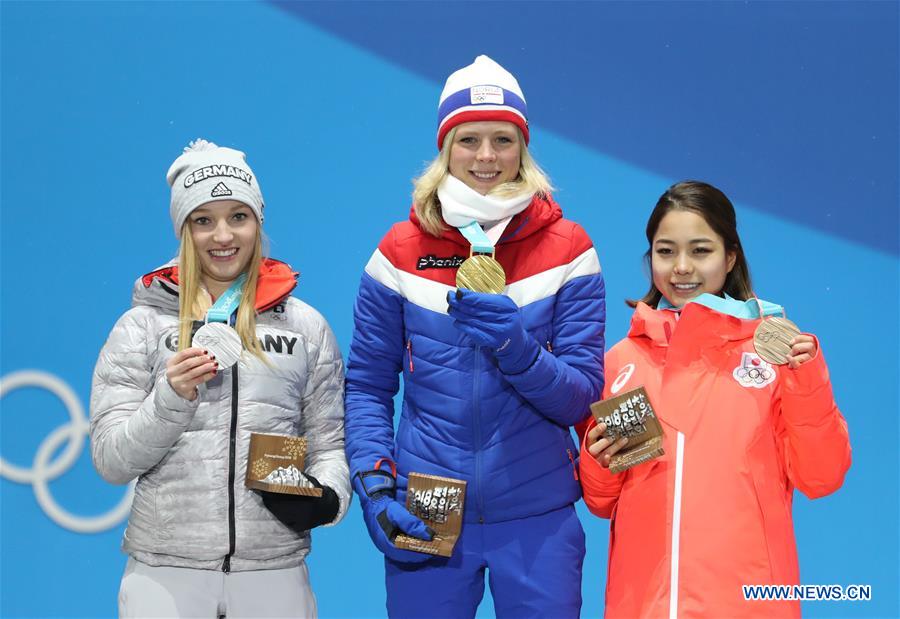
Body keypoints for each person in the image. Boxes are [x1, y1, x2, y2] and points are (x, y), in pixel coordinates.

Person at [344, 55, 606, 618]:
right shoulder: (399, 251)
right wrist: (374, 484)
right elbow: (366, 385)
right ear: (445, 148)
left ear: (523, 147)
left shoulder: (569, 249)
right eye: (469, 140)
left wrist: (517, 349)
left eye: (502, 139)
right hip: (429, 509)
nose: (486, 157)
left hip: (538, 515)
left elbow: (582, 395)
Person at [90, 139, 350, 618]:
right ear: (183, 229)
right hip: (165, 575)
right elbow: (111, 461)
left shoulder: (305, 327)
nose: (222, 235)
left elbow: (330, 445)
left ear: (258, 221)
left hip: (274, 572)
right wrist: (170, 396)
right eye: (203, 220)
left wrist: (325, 500)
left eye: (238, 216)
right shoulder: (143, 327)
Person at [580, 180, 851, 618]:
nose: (681, 267)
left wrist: (808, 380)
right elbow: (603, 503)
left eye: (700, 250)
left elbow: (822, 477)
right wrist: (598, 460)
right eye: (666, 251)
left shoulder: (776, 356)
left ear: (730, 257)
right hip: (641, 604)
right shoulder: (623, 361)